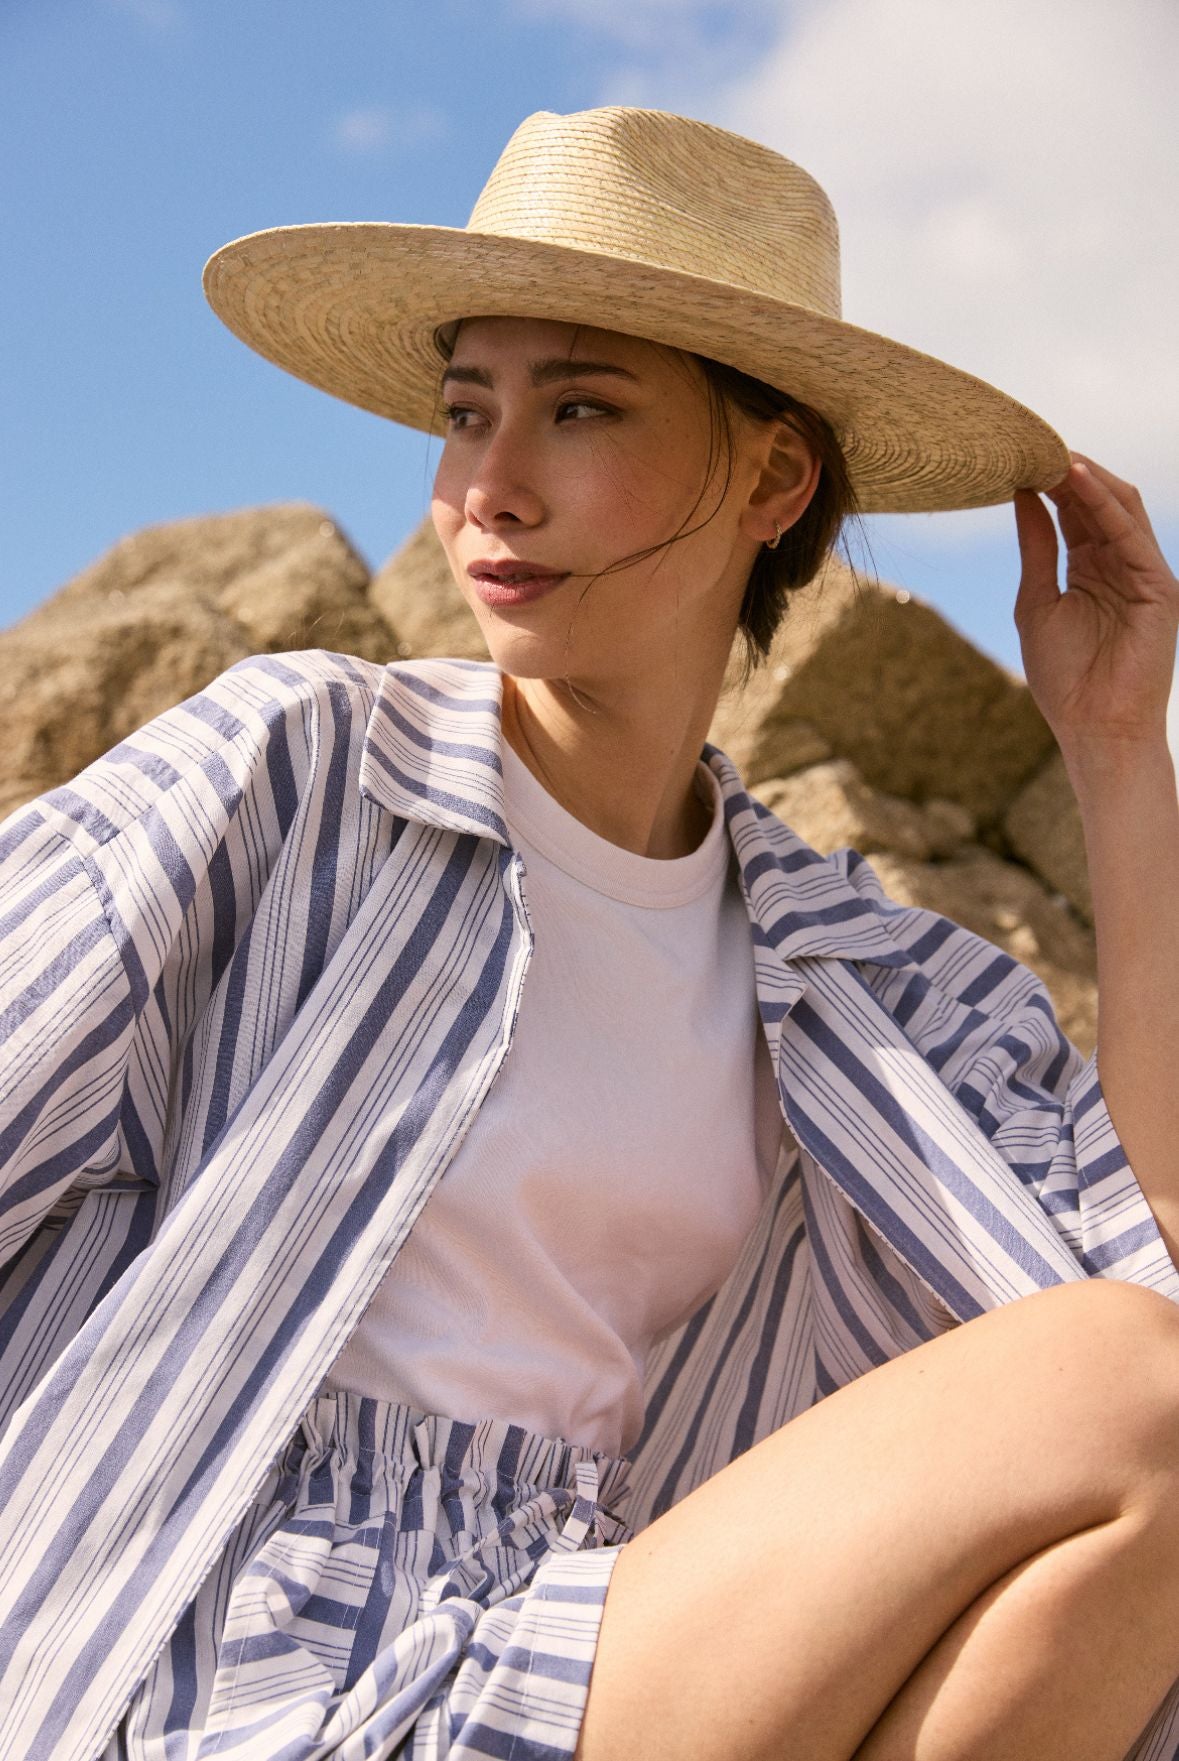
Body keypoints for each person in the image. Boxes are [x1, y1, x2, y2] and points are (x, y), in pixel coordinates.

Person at [0, 103, 1177, 1761]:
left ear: (775, 474)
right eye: (467, 408)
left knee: (1143, 1399)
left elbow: (1138, 1276)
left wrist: (1121, 757)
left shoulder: (857, 982)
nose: (488, 484)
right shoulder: (296, 771)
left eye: (578, 408)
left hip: (603, 1650)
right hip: (215, 1666)